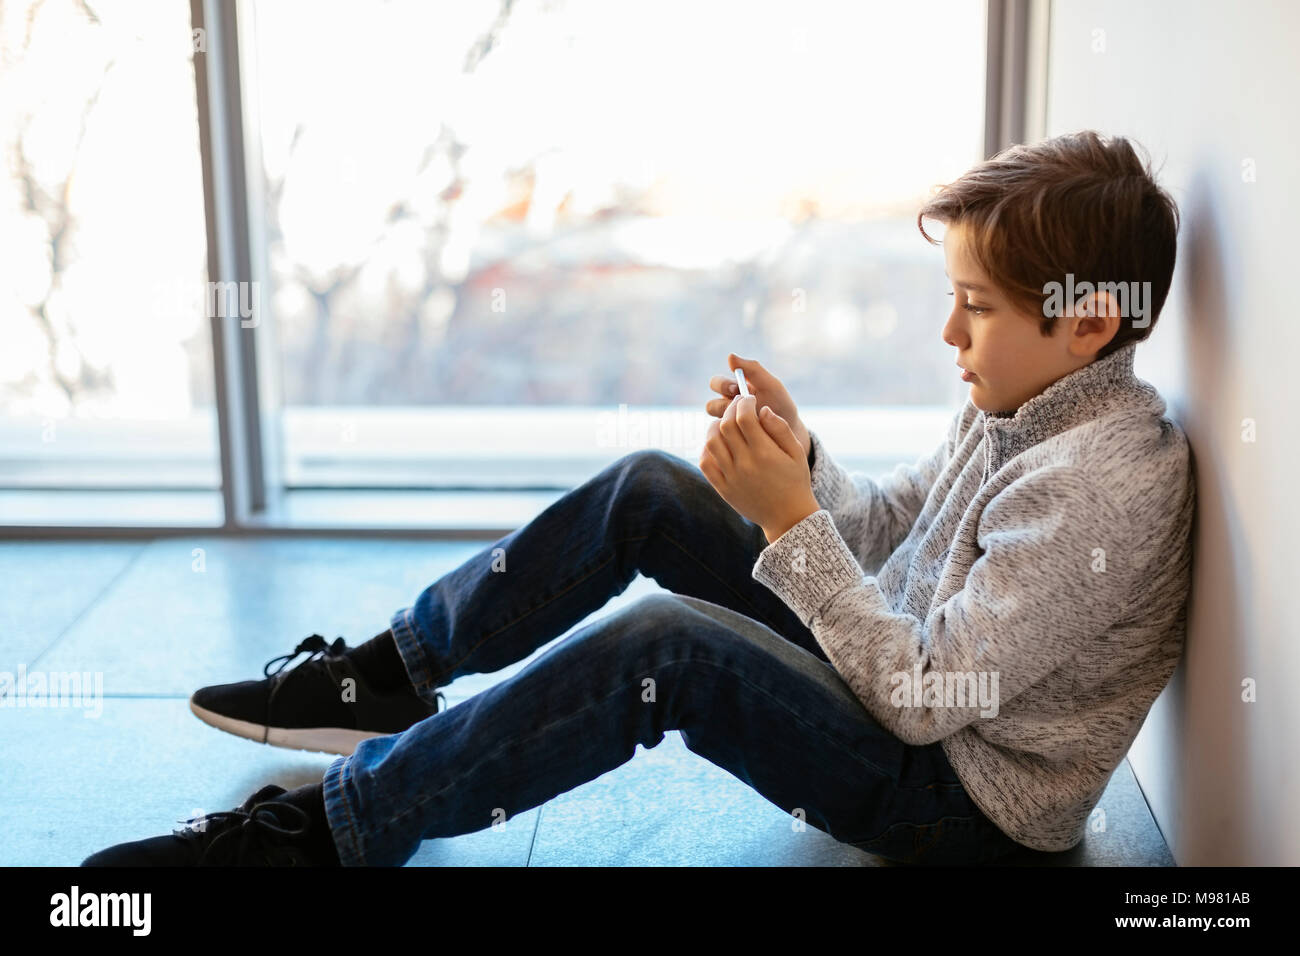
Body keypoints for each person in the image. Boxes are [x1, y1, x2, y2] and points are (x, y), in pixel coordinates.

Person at [82, 130, 1193, 867]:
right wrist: (799, 463)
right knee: (650, 488)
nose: (949, 335)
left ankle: (328, 834)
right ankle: (385, 675)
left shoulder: (1096, 480)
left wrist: (788, 522)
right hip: (900, 686)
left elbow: (918, 698)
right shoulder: (1028, 394)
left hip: (960, 801)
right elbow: (894, 532)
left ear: (1088, 319)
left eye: (975, 307)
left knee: (669, 647)